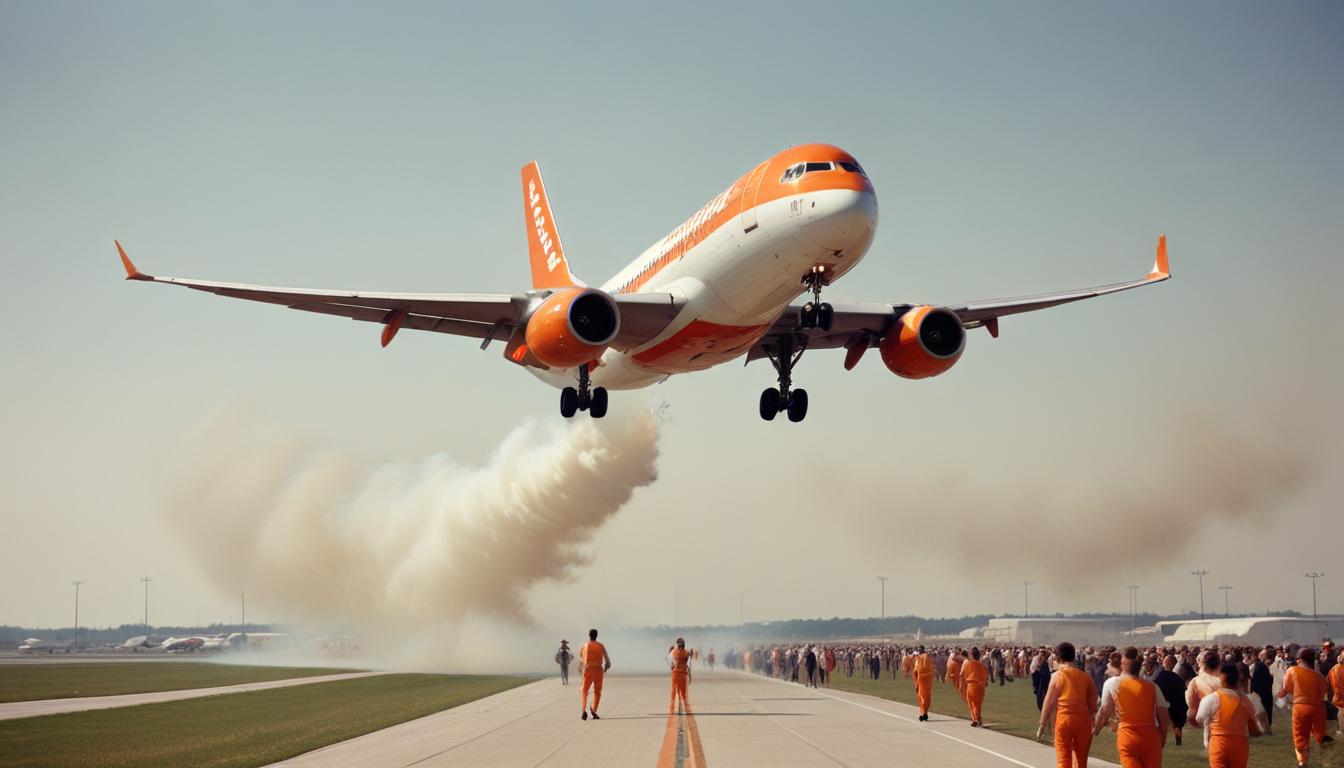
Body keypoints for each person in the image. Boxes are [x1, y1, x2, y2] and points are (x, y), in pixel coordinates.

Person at [1093, 646, 1171, 768]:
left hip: (1128, 736)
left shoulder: (1113, 683)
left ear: (1122, 664)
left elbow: (1104, 711)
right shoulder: (1152, 686)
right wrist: (1163, 737)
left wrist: (1096, 729)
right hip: (1151, 736)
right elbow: (1163, 714)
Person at [1038, 642, 1098, 768]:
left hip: (1064, 720)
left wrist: (1042, 724)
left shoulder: (1057, 676)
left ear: (1058, 658)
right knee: (1081, 760)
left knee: (1063, 759)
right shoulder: (1086, 677)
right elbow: (1093, 704)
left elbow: (1048, 701)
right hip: (1083, 721)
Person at [1193, 664, 1262, 768]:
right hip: (1240, 744)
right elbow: (1254, 729)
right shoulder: (1246, 700)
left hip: (1218, 743)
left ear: (1222, 678)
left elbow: (1199, 718)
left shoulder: (1211, 698)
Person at [1276, 647, 1333, 766]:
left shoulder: (1293, 670)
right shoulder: (1321, 678)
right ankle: (1325, 751)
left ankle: (1302, 761)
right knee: (1320, 733)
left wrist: (1277, 695)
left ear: (1300, 660)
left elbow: (1285, 690)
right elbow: (1324, 695)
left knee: (1300, 735)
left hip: (1301, 707)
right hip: (1319, 709)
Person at [1153, 654, 1189, 746]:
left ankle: (1163, 740)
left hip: (1164, 704)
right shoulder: (1178, 678)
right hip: (1176, 704)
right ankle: (1178, 741)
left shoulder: (1160, 675)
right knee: (1177, 724)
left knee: (1163, 723)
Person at [579, 628, 611, 721]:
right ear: (596, 635)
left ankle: (584, 710)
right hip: (598, 670)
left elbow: (581, 659)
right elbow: (608, 661)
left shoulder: (584, 646)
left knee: (584, 690)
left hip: (587, 669)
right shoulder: (601, 646)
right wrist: (605, 669)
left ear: (589, 635)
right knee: (597, 691)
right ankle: (593, 709)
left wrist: (582, 670)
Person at [961, 647, 989, 727]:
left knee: (972, 704)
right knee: (977, 704)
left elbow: (963, 674)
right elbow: (985, 675)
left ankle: (976, 719)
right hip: (981, 686)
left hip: (972, 685)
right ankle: (978, 719)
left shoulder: (968, 663)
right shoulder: (981, 665)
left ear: (972, 655)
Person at [1249, 649, 1274, 730]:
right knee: (1264, 709)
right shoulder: (1260, 666)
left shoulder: (1258, 665)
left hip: (1260, 692)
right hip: (1263, 692)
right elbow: (1267, 680)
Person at [669, 636, 692, 714]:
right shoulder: (687, 652)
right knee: (684, 692)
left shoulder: (673, 652)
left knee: (675, 691)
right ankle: (686, 709)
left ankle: (673, 709)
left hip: (675, 674)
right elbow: (689, 664)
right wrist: (690, 674)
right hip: (684, 674)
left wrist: (669, 652)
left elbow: (670, 662)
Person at [913, 645, 934, 722]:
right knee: (926, 696)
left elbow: (916, 671)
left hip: (921, 679)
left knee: (922, 697)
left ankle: (923, 713)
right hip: (928, 679)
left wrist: (916, 683)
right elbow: (931, 669)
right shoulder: (928, 658)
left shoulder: (919, 659)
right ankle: (925, 713)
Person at [1329, 651, 1344, 736]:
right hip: (1340, 696)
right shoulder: (1337, 669)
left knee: (1341, 715)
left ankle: (1342, 730)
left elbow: (1336, 686)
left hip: (1340, 697)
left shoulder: (1336, 669)